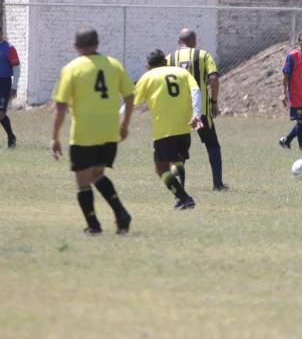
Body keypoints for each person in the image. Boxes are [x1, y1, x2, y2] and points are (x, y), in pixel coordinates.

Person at [51, 28, 134, 235]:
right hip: (108, 132)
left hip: (83, 133)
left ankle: (93, 225)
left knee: (82, 180)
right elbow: (130, 96)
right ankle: (121, 213)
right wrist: (124, 124)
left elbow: (60, 106)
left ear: (76, 47)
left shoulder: (72, 68)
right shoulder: (114, 65)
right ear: (97, 44)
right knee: (97, 174)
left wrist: (54, 137)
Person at [134, 50, 202, 210]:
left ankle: (184, 198)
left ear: (148, 66)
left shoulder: (148, 76)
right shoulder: (182, 72)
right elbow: (195, 91)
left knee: (161, 167)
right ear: (165, 62)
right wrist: (196, 114)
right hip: (185, 127)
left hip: (163, 130)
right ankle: (181, 195)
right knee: (176, 161)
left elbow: (132, 102)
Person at [167, 28, 228, 191]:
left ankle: (176, 184)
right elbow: (214, 77)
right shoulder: (203, 55)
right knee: (212, 145)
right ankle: (217, 184)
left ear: (179, 42)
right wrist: (214, 101)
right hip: (200, 110)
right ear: (194, 42)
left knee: (178, 148)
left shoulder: (170, 58)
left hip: (178, 111)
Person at [0, 37, 20, 147]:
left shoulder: (9, 48)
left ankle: (11, 136)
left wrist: (14, 86)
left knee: (1, 114)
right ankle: (11, 138)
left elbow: (16, 68)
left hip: (4, 83)